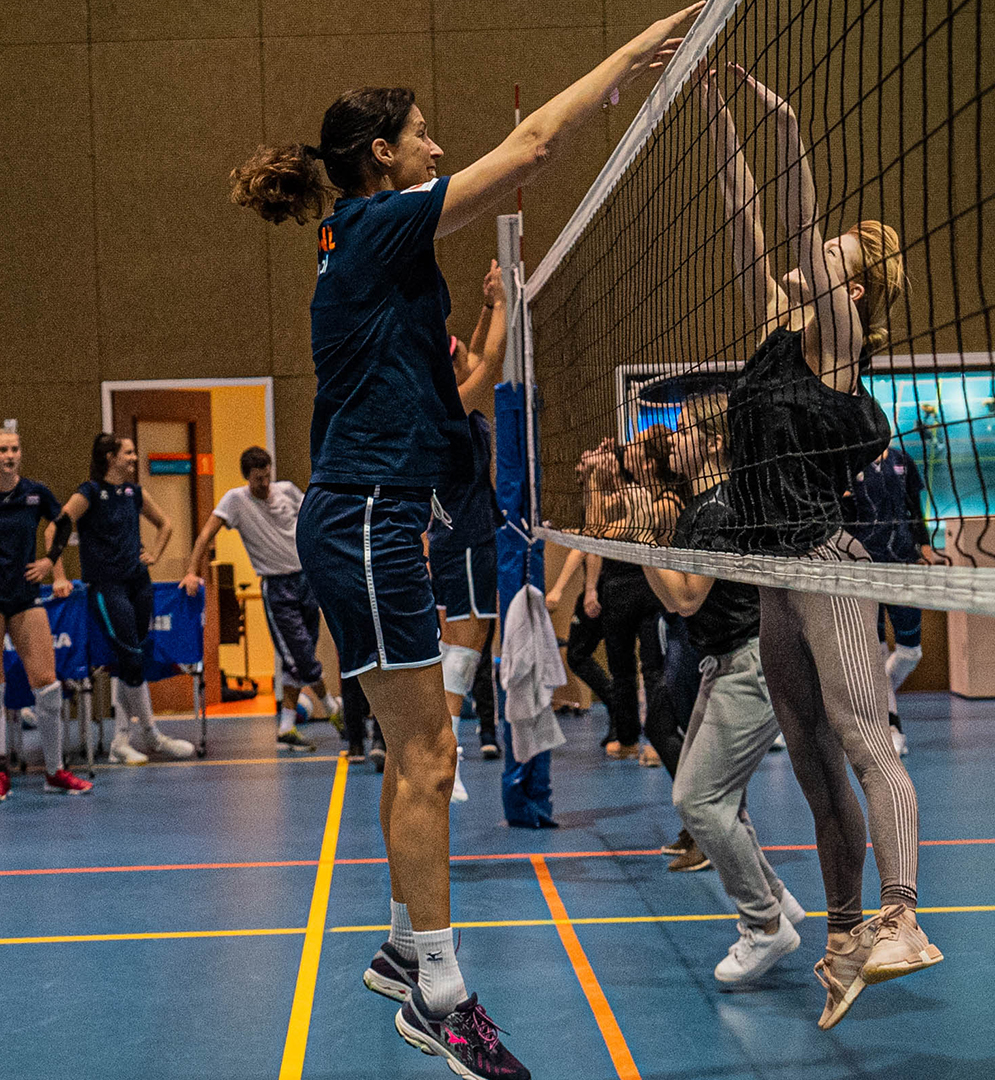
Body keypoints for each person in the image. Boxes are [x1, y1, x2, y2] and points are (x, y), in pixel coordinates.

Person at [228, 6, 698, 1074]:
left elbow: (456, 386)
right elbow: (531, 147)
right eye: (423, 135)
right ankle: (440, 993)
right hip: (366, 516)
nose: (438, 148)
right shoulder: (377, 224)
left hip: (380, 516)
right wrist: (633, 54)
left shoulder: (366, 248)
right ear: (381, 155)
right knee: (430, 753)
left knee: (418, 751)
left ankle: (405, 949)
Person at [703, 64, 939, 1030]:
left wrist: (786, 121)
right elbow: (744, 216)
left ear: (856, 283)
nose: (816, 249)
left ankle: (903, 917)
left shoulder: (838, 339)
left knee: (863, 738)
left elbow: (797, 217)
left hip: (826, 564)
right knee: (807, 757)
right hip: (771, 571)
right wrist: (713, 113)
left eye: (836, 249)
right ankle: (843, 937)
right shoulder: (779, 327)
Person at [641, 393, 806, 983]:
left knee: (698, 800)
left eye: (683, 428)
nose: (671, 437)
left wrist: (642, 545)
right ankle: (776, 899)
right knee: (717, 797)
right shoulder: (700, 507)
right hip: (727, 661)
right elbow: (679, 600)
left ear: (713, 442)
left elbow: (685, 597)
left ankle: (764, 924)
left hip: (750, 663)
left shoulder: (717, 510)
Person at [0, 428, 93, 800]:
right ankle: (0, 773)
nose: (10, 455)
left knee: (47, 686)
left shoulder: (35, 493)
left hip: (24, 596)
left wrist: (49, 561)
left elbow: (63, 523)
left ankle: (55, 771)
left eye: (15, 448)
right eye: (2, 449)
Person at [182, 446, 338, 754]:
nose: (264, 484)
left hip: (306, 579)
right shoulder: (235, 501)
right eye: (257, 480)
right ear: (247, 478)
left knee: (298, 658)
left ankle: (286, 727)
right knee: (301, 655)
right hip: (277, 587)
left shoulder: (287, 491)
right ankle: (333, 708)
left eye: (267, 476)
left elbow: (313, 522)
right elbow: (205, 535)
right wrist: (191, 571)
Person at [57, 433, 193, 764]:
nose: (133, 458)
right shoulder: (89, 492)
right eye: (128, 453)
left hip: (139, 582)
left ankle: (123, 739)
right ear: (110, 457)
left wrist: (155, 554)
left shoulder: (134, 493)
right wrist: (58, 575)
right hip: (107, 586)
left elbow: (165, 524)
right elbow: (55, 528)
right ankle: (149, 734)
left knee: (131, 660)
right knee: (130, 657)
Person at [428, 259, 509, 801]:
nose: (466, 357)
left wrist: (484, 306)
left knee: (462, 644)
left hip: (454, 539)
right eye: (458, 357)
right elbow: (492, 360)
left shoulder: (445, 401)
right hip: (465, 541)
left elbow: (477, 351)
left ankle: (445, 747)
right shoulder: (452, 408)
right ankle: (447, 753)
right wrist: (503, 303)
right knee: (465, 645)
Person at [582, 429, 685, 772]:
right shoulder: (635, 493)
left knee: (654, 668)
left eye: (634, 446)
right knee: (622, 669)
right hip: (621, 590)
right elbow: (596, 528)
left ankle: (660, 739)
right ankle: (628, 738)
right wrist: (595, 478)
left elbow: (600, 531)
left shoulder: (661, 501)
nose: (625, 449)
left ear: (647, 462)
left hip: (655, 592)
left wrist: (598, 481)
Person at [845, 444, 944, 755]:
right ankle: (890, 725)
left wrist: (924, 547)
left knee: (911, 653)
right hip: (863, 568)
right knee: (875, 652)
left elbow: (915, 508)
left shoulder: (902, 460)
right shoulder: (848, 462)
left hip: (902, 565)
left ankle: (873, 699)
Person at [544, 547, 616, 739]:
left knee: (584, 655)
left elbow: (587, 547)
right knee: (579, 655)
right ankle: (617, 710)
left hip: (609, 588)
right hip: (602, 587)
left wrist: (559, 590)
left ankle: (619, 713)